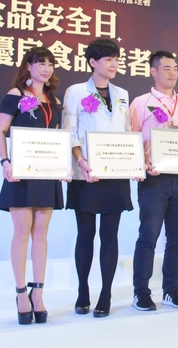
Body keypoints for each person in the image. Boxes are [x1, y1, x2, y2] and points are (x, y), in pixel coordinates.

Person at [129, 51, 178, 311]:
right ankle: (141, 292)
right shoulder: (141, 102)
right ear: (153, 71)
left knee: (177, 238)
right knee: (148, 236)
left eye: (175, 68)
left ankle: (172, 290)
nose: (172, 73)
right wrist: (142, 164)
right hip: (154, 180)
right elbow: (131, 140)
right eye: (166, 68)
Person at [62, 38, 132, 318]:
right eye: (108, 59)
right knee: (86, 234)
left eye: (116, 59)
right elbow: (70, 130)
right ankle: (82, 291)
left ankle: (106, 294)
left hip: (116, 173)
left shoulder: (123, 93)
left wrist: (133, 164)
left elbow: (127, 133)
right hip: (86, 173)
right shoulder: (76, 91)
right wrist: (81, 160)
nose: (114, 64)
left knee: (110, 235)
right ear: (92, 62)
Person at [0, 47, 65, 325]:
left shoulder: (54, 99)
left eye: (50, 64)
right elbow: (0, 130)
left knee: (41, 233)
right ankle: (21, 293)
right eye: (40, 64)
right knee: (22, 231)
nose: (46, 69)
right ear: (28, 66)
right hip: (22, 173)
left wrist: (62, 166)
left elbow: (58, 137)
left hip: (46, 173)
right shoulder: (16, 96)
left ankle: (39, 292)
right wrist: (5, 161)